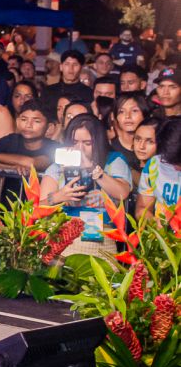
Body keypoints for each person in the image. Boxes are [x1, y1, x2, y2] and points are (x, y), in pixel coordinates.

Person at [39, 114, 131, 254]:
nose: (80, 149)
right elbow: (39, 208)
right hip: (64, 233)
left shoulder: (113, 161)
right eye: (75, 142)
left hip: (101, 235)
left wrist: (92, 169)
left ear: (99, 142)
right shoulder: (57, 166)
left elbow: (122, 193)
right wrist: (59, 196)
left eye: (87, 143)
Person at [0, 102, 58, 200]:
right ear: (17, 122)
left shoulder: (54, 147)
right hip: (6, 204)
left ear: (49, 128)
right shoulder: (11, 139)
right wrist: (11, 167)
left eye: (36, 121)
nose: (28, 125)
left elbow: (32, 163)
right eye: (24, 119)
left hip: (38, 205)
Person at [134, 118, 171, 219]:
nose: (141, 146)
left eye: (150, 141)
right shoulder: (149, 168)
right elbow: (141, 210)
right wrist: (156, 225)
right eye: (138, 139)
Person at [110, 93, 150, 172]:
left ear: (145, 114)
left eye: (134, 111)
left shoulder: (154, 146)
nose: (127, 116)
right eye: (121, 111)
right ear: (115, 117)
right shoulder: (109, 146)